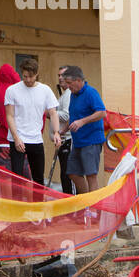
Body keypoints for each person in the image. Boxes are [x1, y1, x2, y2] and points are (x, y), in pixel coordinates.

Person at [4, 58, 60, 186]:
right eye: (25, 76)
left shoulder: (45, 90)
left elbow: (53, 112)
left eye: (31, 76)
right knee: (17, 179)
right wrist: (16, 138)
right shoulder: (12, 90)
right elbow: (10, 115)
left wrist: (56, 132)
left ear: (36, 74)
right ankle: (18, 204)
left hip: (36, 138)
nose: (28, 80)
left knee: (38, 177)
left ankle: (38, 204)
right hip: (17, 139)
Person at [62, 65, 107, 194]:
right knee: (72, 172)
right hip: (78, 142)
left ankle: (93, 209)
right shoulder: (73, 95)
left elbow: (102, 113)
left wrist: (83, 121)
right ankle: (85, 201)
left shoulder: (91, 92)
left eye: (69, 83)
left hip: (91, 140)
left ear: (78, 80)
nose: (68, 87)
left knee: (91, 175)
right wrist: (63, 129)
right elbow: (74, 116)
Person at [54, 67, 75, 194]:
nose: (60, 78)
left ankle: (73, 203)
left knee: (68, 174)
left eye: (63, 75)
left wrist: (51, 113)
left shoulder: (68, 94)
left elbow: (67, 116)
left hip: (68, 139)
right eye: (59, 75)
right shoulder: (63, 95)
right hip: (62, 140)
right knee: (64, 174)